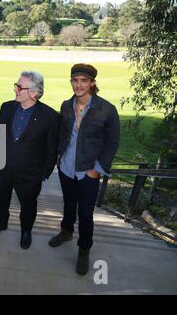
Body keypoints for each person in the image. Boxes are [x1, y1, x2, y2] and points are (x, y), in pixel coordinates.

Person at [48, 64, 120, 275]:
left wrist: (97, 168)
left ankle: (84, 249)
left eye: (83, 81)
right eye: (75, 80)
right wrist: (59, 156)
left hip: (89, 170)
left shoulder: (106, 109)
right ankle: (66, 230)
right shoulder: (66, 105)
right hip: (66, 167)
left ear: (92, 83)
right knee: (69, 203)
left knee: (86, 213)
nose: (78, 85)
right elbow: (62, 133)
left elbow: (112, 142)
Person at [0, 71, 59, 250]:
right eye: (16, 85)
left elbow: (52, 149)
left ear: (34, 93)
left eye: (19, 87)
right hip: (1, 168)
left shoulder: (50, 117)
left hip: (29, 174)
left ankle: (26, 231)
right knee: (0, 200)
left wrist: (44, 173)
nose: (15, 89)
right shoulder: (6, 107)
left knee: (28, 206)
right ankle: (1, 223)